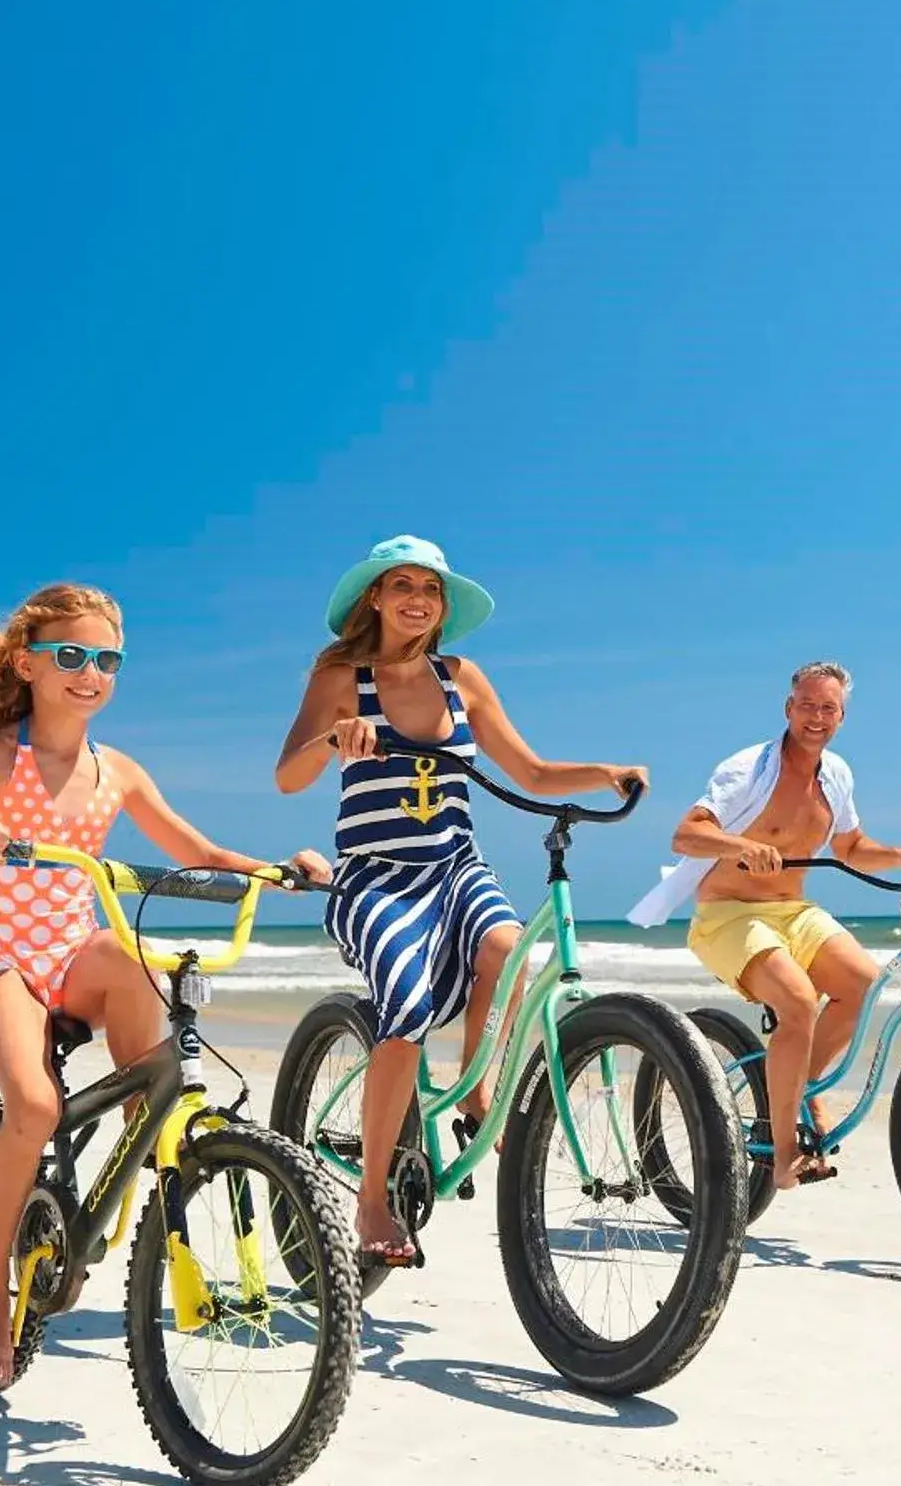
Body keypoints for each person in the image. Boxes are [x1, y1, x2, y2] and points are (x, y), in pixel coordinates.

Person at [0, 582, 332, 1386]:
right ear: (28, 664)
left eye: (107, 660)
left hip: (79, 953)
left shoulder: (117, 771)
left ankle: (152, 1136)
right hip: (7, 962)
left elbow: (197, 849)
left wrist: (278, 871)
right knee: (31, 1107)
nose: (90, 671)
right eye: (71, 655)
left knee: (136, 961)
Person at [276, 536, 646, 1267]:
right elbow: (290, 776)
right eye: (402, 583)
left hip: (454, 865)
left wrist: (601, 771)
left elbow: (532, 771)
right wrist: (334, 735)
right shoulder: (341, 675)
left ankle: (477, 1091)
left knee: (508, 949)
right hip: (376, 876)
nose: (419, 596)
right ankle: (373, 1197)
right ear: (374, 598)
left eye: (432, 587)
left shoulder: (462, 677)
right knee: (405, 1013)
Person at [627, 661, 901, 1190]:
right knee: (796, 1002)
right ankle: (785, 1150)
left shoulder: (837, 774)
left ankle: (798, 1083)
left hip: (794, 914)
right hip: (729, 914)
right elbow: (686, 835)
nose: (817, 716)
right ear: (789, 709)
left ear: (842, 716)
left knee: (862, 985)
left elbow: (852, 848)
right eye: (808, 705)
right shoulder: (747, 769)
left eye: (829, 708)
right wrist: (743, 846)